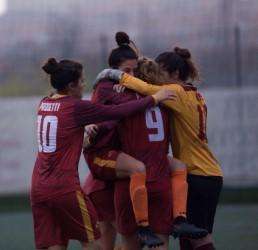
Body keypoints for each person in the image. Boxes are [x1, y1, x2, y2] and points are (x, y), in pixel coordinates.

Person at [30, 57, 172, 250]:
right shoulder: (75, 107)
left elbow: (64, 123)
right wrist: (155, 97)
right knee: (97, 244)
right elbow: (118, 111)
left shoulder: (44, 103)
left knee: (54, 245)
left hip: (38, 189)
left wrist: (85, 126)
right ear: (71, 85)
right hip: (64, 189)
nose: (84, 85)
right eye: (81, 81)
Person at [97, 47, 223, 250]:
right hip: (206, 173)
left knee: (198, 239)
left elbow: (146, 93)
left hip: (193, 174)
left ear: (174, 74)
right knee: (191, 237)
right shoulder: (194, 94)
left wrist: (113, 76)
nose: (158, 78)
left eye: (161, 72)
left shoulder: (172, 94)